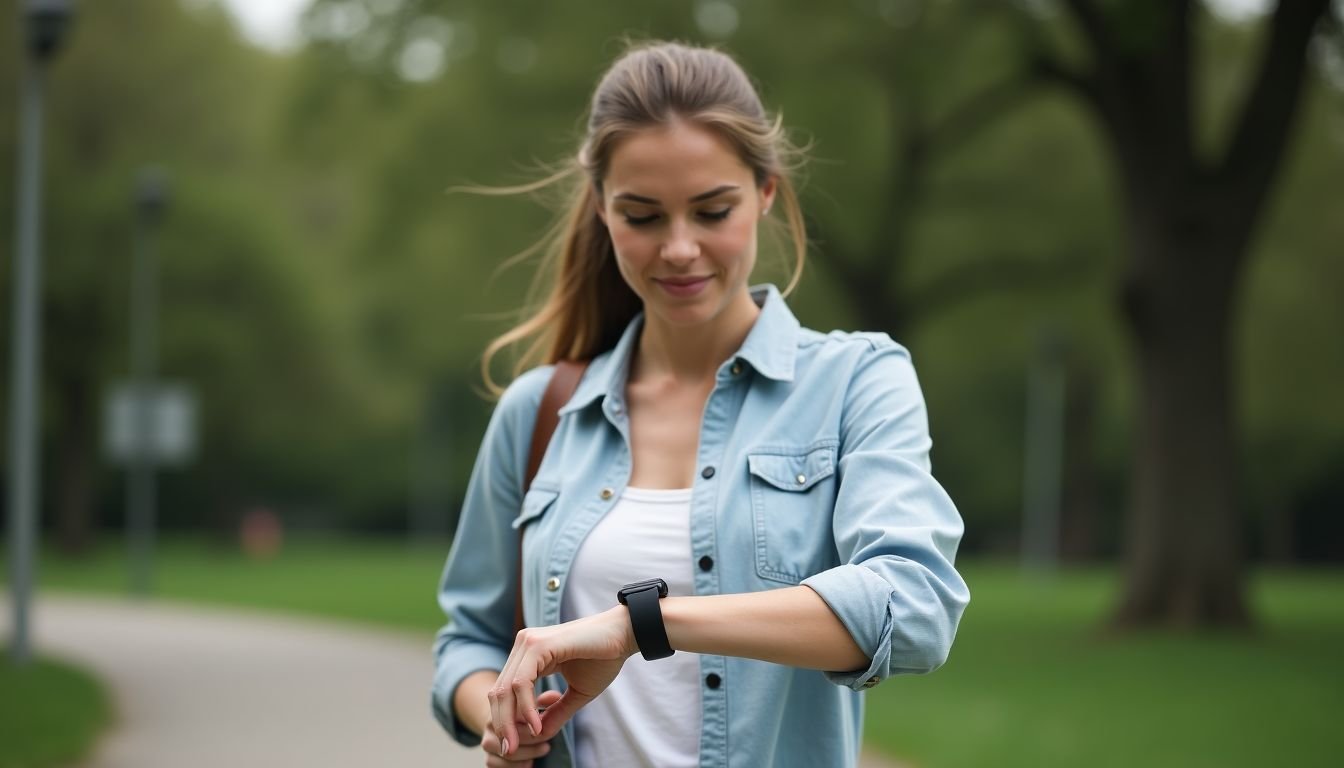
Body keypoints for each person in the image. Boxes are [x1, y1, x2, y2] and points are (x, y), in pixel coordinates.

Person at [431, 41, 969, 768]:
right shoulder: (537, 413)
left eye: (712, 211)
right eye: (643, 216)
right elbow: (469, 638)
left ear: (767, 192)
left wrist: (641, 626)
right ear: (600, 209)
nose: (680, 248)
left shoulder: (856, 381)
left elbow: (913, 605)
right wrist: (503, 716)